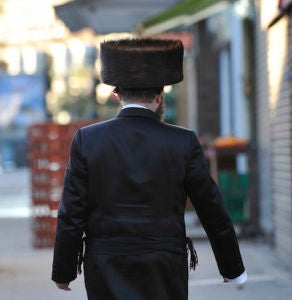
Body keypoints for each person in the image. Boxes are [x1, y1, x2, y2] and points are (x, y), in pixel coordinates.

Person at [51, 38, 247, 299]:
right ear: (159, 97)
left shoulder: (87, 140)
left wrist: (64, 271)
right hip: (165, 264)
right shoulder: (183, 141)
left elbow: (71, 213)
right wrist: (232, 268)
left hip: (106, 264)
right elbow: (211, 208)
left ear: (117, 96)